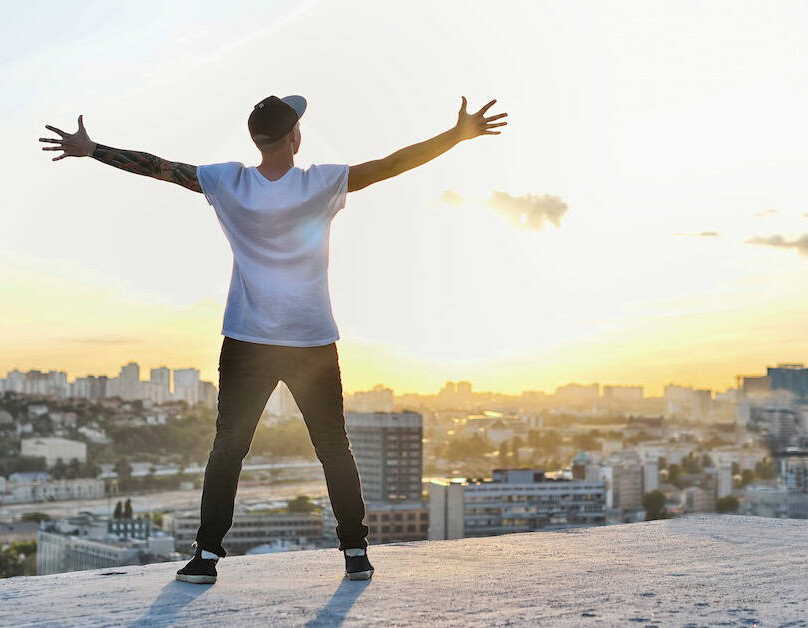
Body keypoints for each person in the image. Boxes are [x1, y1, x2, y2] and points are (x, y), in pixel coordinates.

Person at [40, 94, 507, 583]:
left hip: (247, 339)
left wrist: (92, 150)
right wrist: (457, 135)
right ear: (295, 138)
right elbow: (392, 165)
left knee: (228, 449)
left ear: (257, 141)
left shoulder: (228, 181)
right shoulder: (320, 183)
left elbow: (159, 168)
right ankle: (355, 553)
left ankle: (206, 558)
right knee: (333, 448)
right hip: (310, 340)